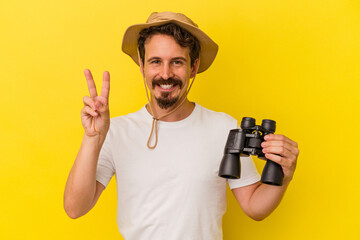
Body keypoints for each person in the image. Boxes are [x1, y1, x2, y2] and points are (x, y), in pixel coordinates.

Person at [64, 11, 299, 240]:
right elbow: (75, 208)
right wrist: (93, 138)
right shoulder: (116, 131)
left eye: (177, 62)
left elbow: (254, 206)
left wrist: (284, 176)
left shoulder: (222, 127)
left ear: (193, 67)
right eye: (156, 61)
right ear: (142, 66)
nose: (165, 74)